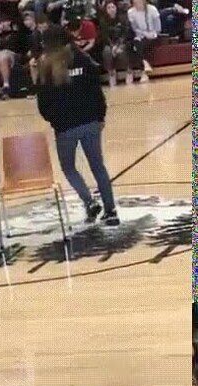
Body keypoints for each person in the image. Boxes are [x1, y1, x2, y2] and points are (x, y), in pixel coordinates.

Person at [35, 25, 119, 225]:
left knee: (69, 168)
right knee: (98, 167)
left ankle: (89, 202)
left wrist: (54, 121)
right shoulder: (84, 60)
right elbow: (97, 93)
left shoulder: (46, 68)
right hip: (91, 123)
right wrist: (100, 117)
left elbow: (43, 103)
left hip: (65, 128)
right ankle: (111, 210)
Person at [99, 0, 133, 86]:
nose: (111, 9)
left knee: (122, 50)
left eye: (113, 7)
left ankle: (129, 71)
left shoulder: (123, 18)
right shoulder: (103, 21)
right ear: (106, 10)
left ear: (116, 8)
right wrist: (112, 46)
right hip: (109, 44)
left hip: (122, 42)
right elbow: (104, 36)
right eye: (109, 8)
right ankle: (111, 73)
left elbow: (125, 33)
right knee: (106, 51)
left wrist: (118, 45)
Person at [127, 0, 161, 82]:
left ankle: (144, 70)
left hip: (153, 35)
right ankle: (145, 66)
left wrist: (151, 34)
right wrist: (144, 34)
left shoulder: (152, 9)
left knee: (142, 45)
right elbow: (134, 28)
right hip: (140, 35)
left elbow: (158, 28)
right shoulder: (130, 12)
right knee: (137, 43)